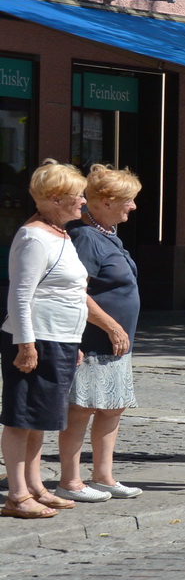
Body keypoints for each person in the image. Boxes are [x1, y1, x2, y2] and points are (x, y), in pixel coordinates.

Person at [1, 162, 104, 519]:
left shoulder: (60, 233)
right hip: (35, 339)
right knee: (21, 416)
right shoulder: (34, 236)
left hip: (59, 338)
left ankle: (34, 486)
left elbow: (70, 293)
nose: (83, 201)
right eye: (78, 195)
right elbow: (20, 295)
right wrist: (25, 344)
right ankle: (16, 494)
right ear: (54, 198)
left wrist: (72, 342)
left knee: (41, 416)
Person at [57, 165, 145, 502]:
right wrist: (110, 325)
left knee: (112, 407)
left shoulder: (106, 232)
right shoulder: (86, 237)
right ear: (106, 201)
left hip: (116, 344)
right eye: (128, 200)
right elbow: (77, 290)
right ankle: (70, 480)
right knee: (81, 409)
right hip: (95, 341)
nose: (133, 206)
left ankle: (103, 476)